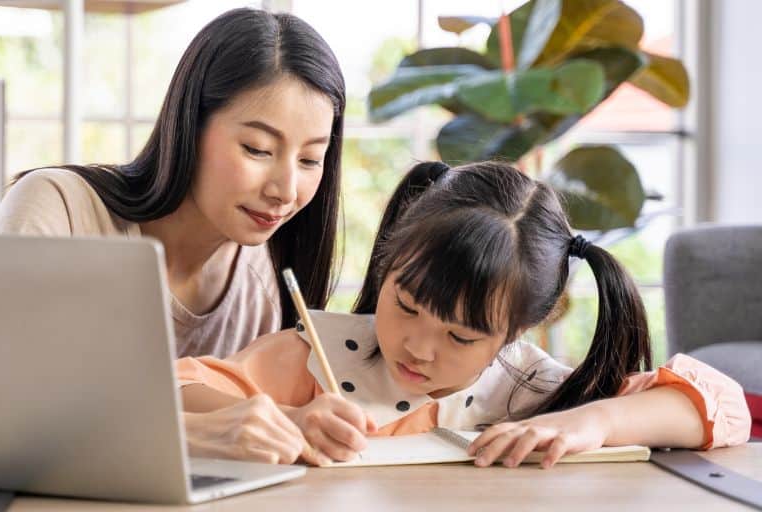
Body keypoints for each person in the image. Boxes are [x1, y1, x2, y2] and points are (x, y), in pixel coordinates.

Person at [176, 161, 752, 468]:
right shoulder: (314, 355)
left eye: (460, 335)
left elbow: (721, 408)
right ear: (388, 262)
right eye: (405, 305)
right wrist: (281, 418)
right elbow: (170, 389)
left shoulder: (530, 391)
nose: (419, 348)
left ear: (520, 328)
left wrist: (590, 424)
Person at [0, 8, 344, 464]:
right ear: (188, 126)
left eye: (310, 160)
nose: (285, 190)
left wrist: (290, 425)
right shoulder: (59, 209)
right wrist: (189, 435)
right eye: (258, 149)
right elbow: (4, 407)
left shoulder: (263, 287)